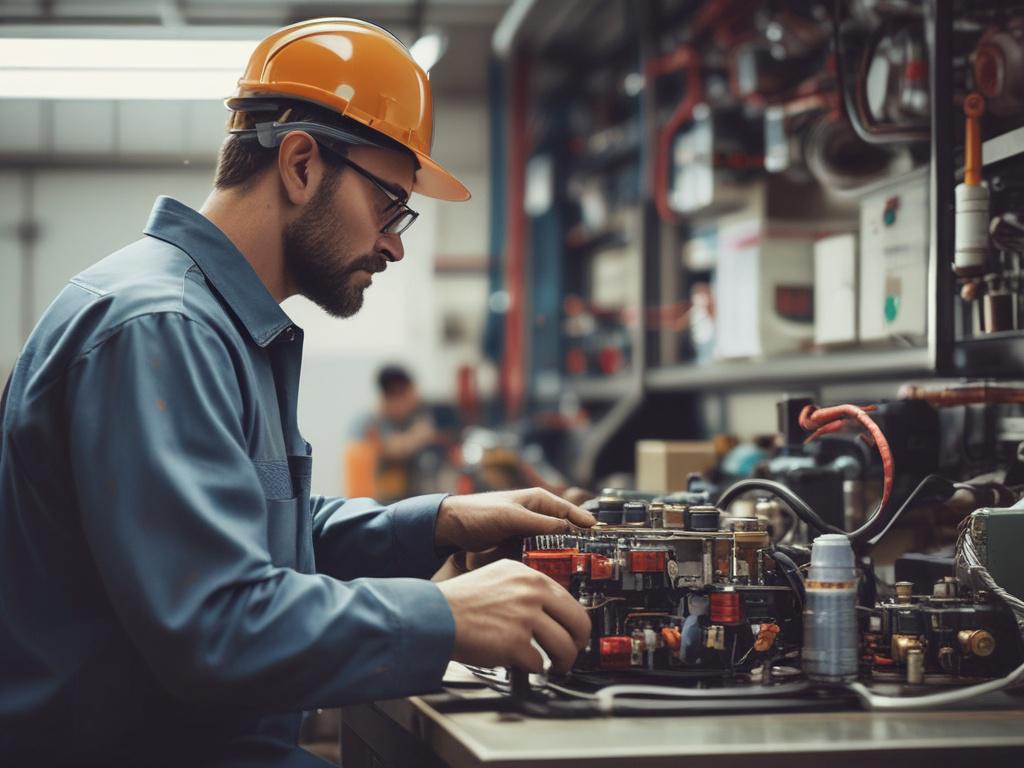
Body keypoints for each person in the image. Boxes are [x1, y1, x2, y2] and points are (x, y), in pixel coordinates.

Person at [0, 19, 593, 767]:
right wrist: (443, 615)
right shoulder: (160, 329)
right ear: (303, 164)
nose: (396, 243)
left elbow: (248, 536)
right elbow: (217, 622)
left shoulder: (213, 322)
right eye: (389, 204)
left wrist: (436, 522)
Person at [356, 364, 448, 503]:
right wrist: (417, 437)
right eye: (392, 394)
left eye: (405, 392)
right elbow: (391, 449)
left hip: (424, 497)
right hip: (389, 502)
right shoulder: (373, 420)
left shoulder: (423, 411)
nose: (398, 400)